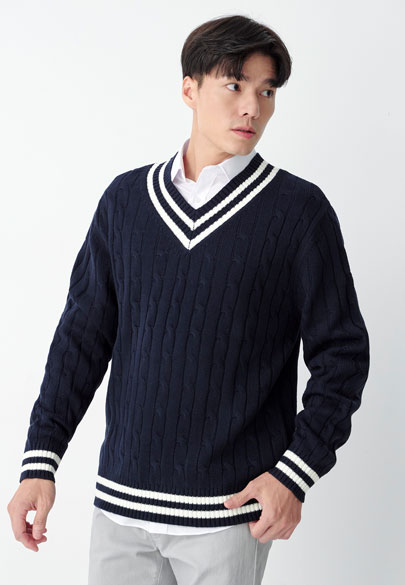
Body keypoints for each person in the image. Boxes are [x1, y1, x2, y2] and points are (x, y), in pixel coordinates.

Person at [7, 13, 370, 585]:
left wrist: (295, 473)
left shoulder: (299, 213)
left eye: (266, 91)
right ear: (189, 89)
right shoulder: (126, 201)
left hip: (227, 514)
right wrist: (40, 460)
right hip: (120, 508)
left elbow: (342, 356)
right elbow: (81, 339)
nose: (252, 108)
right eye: (235, 85)